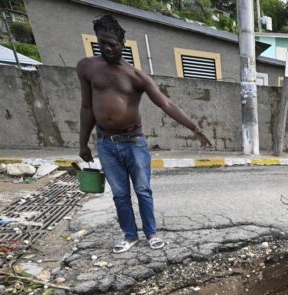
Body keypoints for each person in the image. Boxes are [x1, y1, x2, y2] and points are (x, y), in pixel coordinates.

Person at [77, 15, 211, 254]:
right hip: (106, 142)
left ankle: (151, 233)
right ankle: (130, 235)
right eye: (102, 43)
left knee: (142, 190)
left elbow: (166, 104)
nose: (107, 48)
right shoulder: (87, 68)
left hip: (133, 142)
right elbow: (87, 107)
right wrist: (83, 143)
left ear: (122, 44)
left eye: (112, 44)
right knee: (120, 194)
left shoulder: (136, 77)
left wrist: (195, 128)